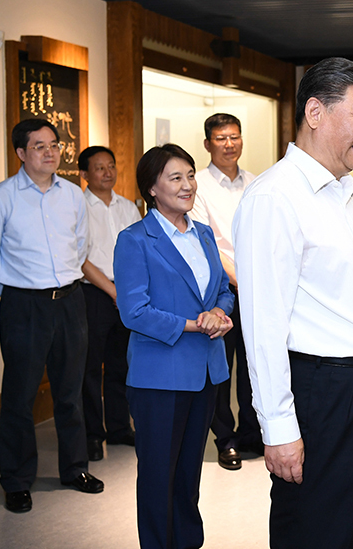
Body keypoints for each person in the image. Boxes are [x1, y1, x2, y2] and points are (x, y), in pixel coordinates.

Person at [234, 57, 353, 549]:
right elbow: (262, 326)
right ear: (315, 112)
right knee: (315, 529)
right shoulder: (276, 197)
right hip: (328, 393)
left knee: (348, 528)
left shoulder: (339, 195)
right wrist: (279, 429)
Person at [115, 144, 234, 549]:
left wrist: (218, 312)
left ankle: (187, 542)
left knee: (188, 474)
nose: (188, 185)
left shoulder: (203, 233)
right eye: (176, 178)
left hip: (205, 372)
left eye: (191, 175)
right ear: (152, 188)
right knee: (157, 475)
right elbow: (134, 311)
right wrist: (195, 325)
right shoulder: (135, 239)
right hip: (159, 377)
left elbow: (223, 290)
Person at [0, 119, 104, 514]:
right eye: (40, 146)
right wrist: (18, 295)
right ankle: (17, 481)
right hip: (24, 306)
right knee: (20, 396)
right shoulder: (1, 197)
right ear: (21, 153)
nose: (51, 152)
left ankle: (75, 468)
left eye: (54, 145)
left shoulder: (72, 194)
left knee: (70, 391)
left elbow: (81, 246)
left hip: (70, 301)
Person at [190, 113, 260, 471]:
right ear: (208, 144)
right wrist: (240, 280)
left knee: (254, 365)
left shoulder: (256, 183)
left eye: (234, 136)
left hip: (257, 289)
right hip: (221, 291)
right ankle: (225, 439)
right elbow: (207, 243)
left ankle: (251, 432)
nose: (229, 144)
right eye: (221, 138)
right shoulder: (198, 185)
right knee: (221, 368)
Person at [78, 145, 141, 461]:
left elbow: (139, 252)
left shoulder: (128, 207)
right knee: (90, 367)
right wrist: (113, 292)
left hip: (126, 292)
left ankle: (119, 428)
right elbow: (80, 258)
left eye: (111, 166)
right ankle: (93, 435)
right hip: (93, 293)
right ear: (84, 174)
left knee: (121, 363)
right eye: (99, 167)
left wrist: (127, 291)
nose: (107, 172)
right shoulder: (78, 207)